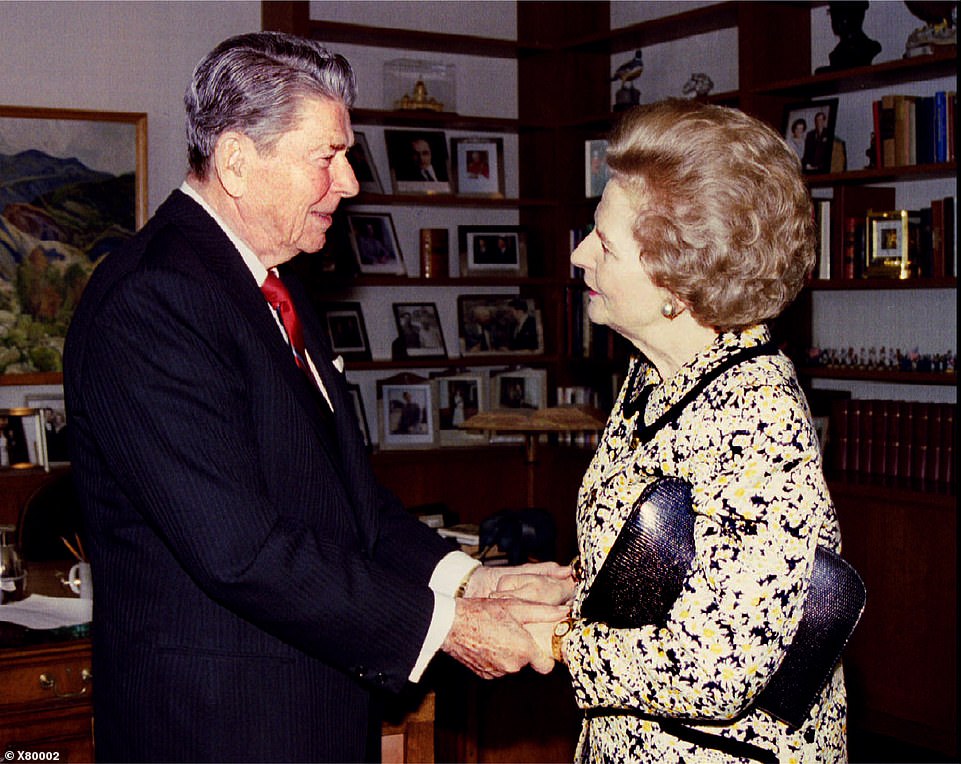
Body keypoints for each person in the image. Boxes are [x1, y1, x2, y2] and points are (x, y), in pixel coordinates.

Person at [63, 31, 569, 763]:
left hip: (307, 717)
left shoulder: (275, 284)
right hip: (217, 733)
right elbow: (242, 550)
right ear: (237, 161)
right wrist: (449, 626)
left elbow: (345, 504)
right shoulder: (153, 301)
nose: (352, 183)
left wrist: (474, 578)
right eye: (327, 158)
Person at [522, 99, 847, 762]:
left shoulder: (757, 419)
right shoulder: (656, 373)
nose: (580, 255)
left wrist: (554, 644)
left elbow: (717, 668)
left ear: (678, 280)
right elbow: (671, 556)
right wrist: (571, 588)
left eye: (605, 242)